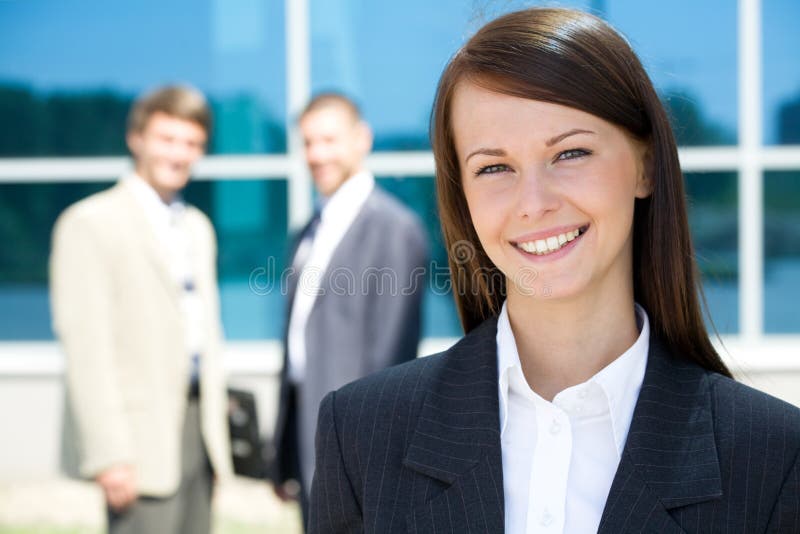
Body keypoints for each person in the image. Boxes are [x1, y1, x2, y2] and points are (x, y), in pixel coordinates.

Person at [309, 8, 800, 534]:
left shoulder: (771, 456)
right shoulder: (361, 435)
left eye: (570, 153)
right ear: (463, 197)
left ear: (646, 165)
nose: (533, 202)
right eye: (493, 167)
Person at [50, 85, 232, 534]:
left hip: (197, 430)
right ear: (137, 139)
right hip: (137, 443)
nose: (180, 154)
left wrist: (217, 438)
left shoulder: (197, 226)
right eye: (167, 140)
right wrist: (109, 455)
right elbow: (86, 348)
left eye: (191, 144)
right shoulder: (90, 223)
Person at [270, 92, 428, 525]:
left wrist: (371, 456)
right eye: (307, 142)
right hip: (309, 431)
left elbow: (393, 357)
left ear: (362, 139)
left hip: (359, 444)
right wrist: (284, 450)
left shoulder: (395, 229)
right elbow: (297, 345)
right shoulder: (307, 231)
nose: (316, 154)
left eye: (328, 140)